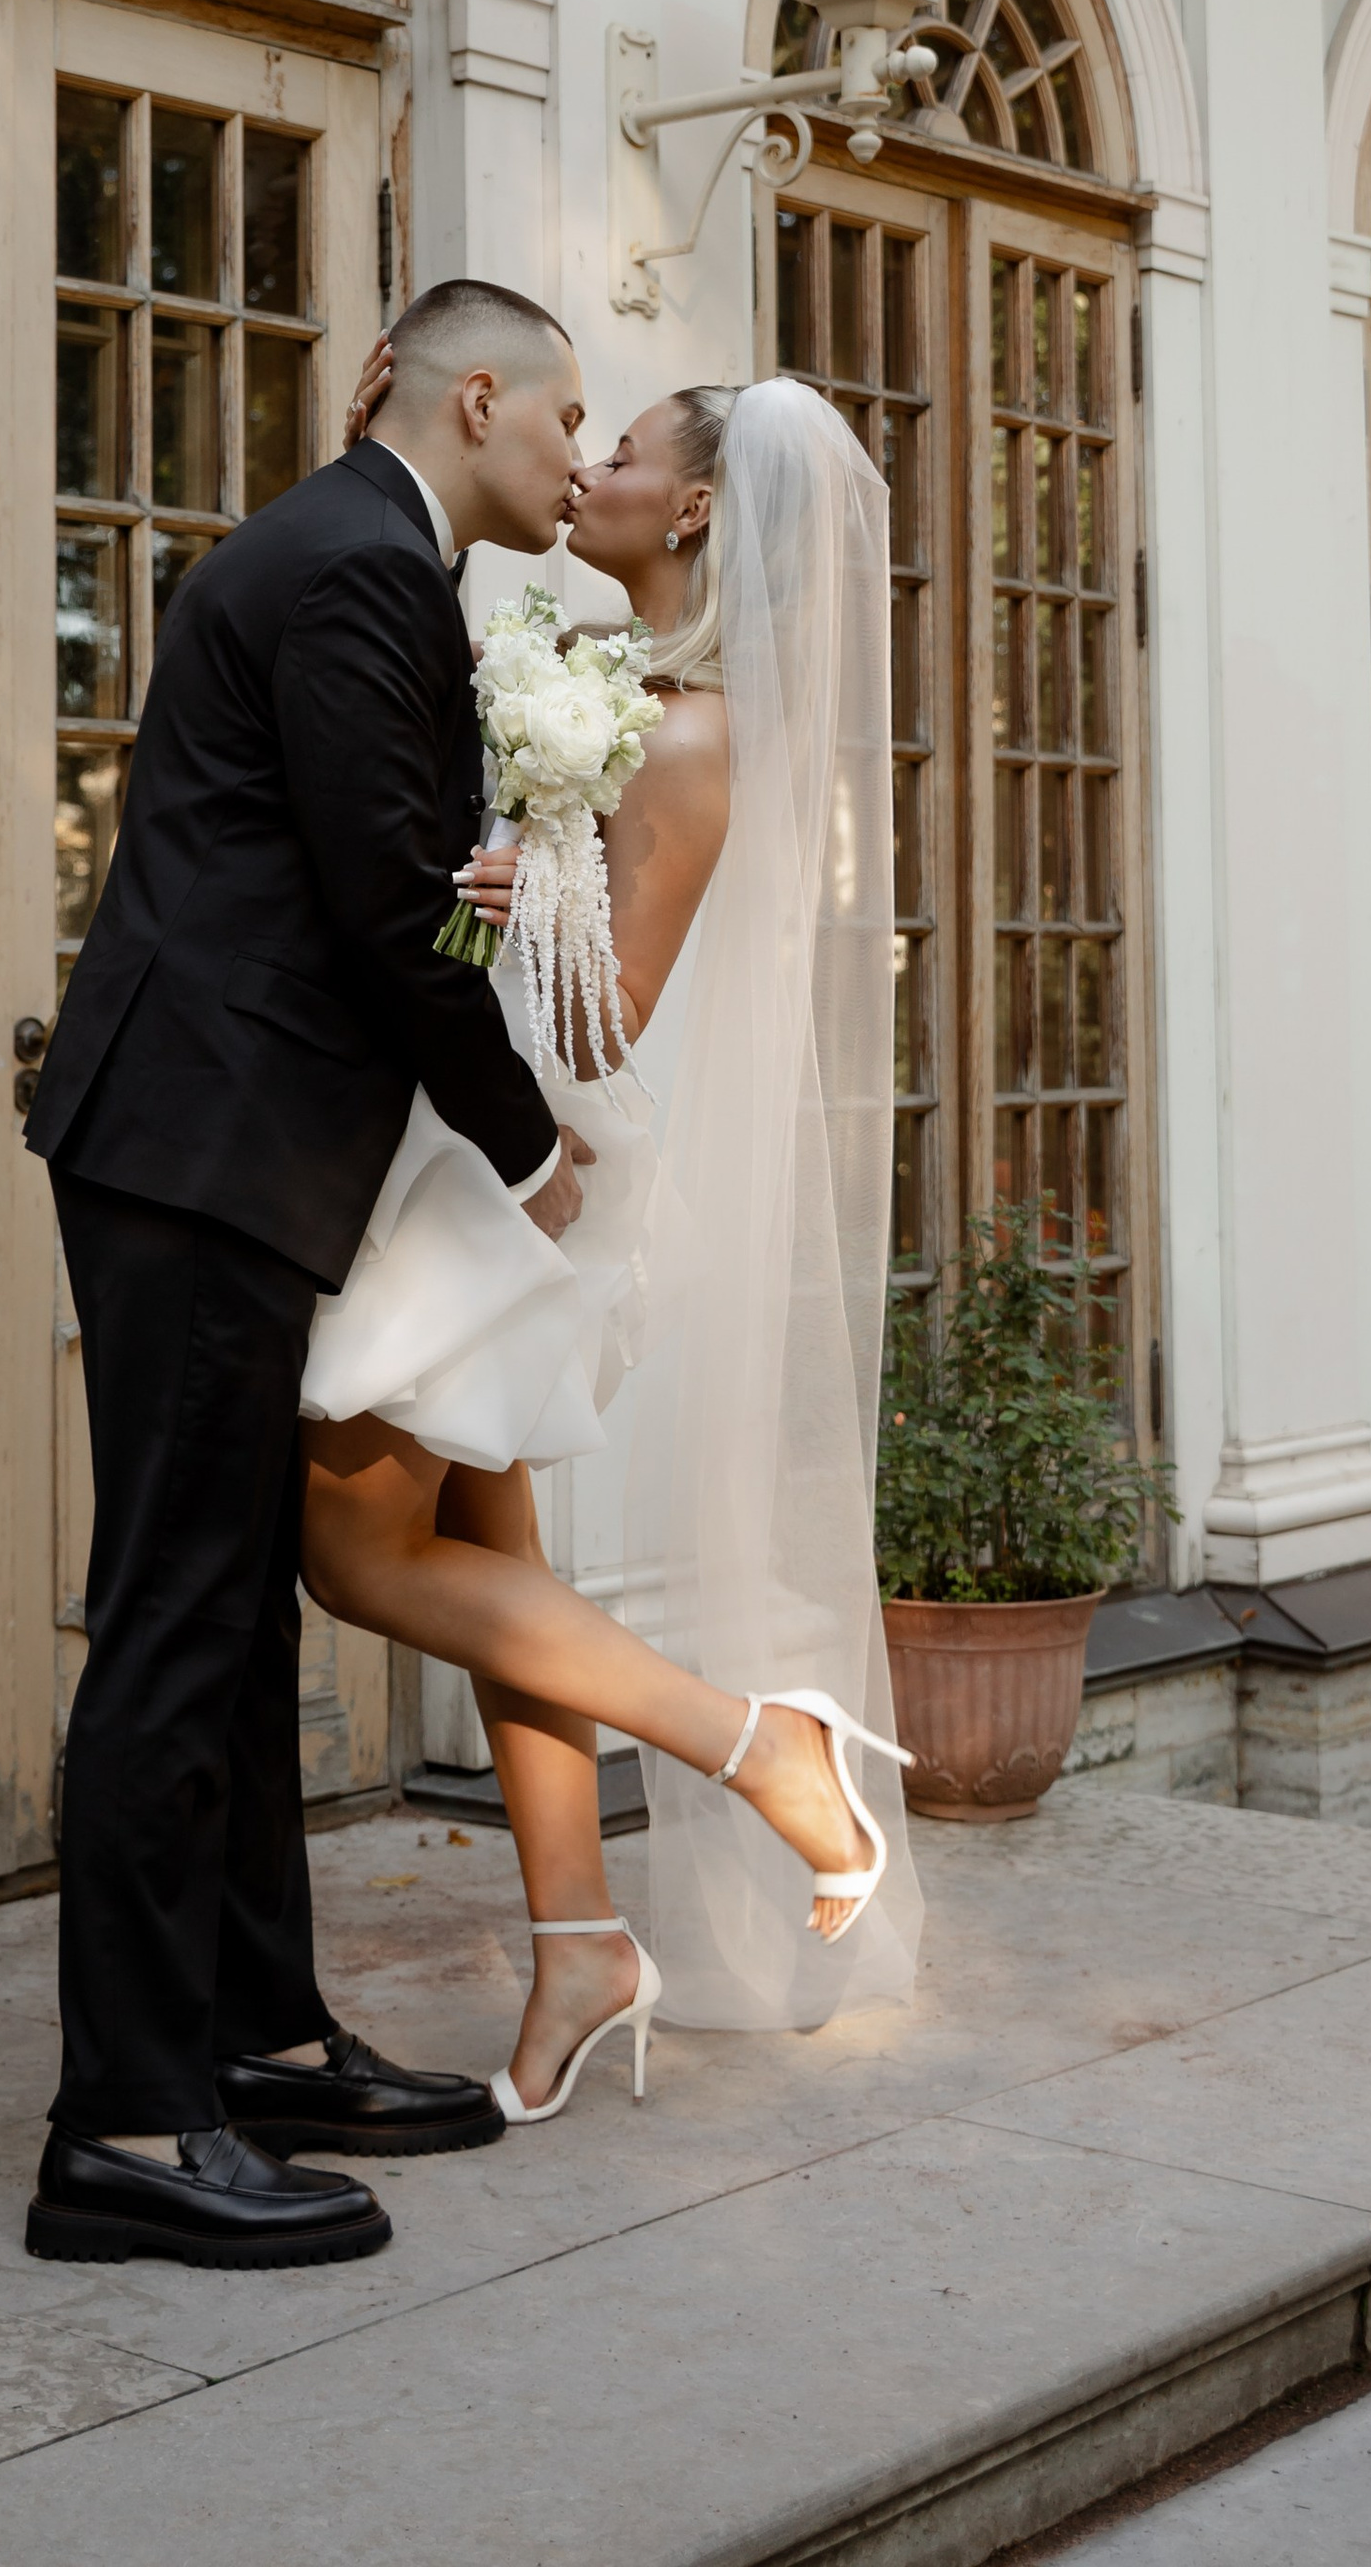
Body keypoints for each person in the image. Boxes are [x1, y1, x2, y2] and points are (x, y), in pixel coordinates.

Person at [20, 278, 598, 2268]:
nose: (577, 460)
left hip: (222, 1142)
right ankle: (123, 2125)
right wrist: (524, 1138)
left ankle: (252, 2033)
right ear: (471, 395)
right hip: (201, 1147)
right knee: (176, 1615)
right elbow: (378, 914)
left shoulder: (346, 556)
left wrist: (472, 880)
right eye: (562, 419)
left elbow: (376, 865)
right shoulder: (358, 566)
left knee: (234, 1616)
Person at [298, 358, 920, 2121]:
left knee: (355, 1553)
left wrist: (500, 891)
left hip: (529, 1164)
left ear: (699, 505)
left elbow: (606, 1013)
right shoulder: (591, 677)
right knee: (506, 1571)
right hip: (469, 1140)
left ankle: (761, 1747)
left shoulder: (700, 727)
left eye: (625, 449)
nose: (592, 465)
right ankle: (579, 1941)